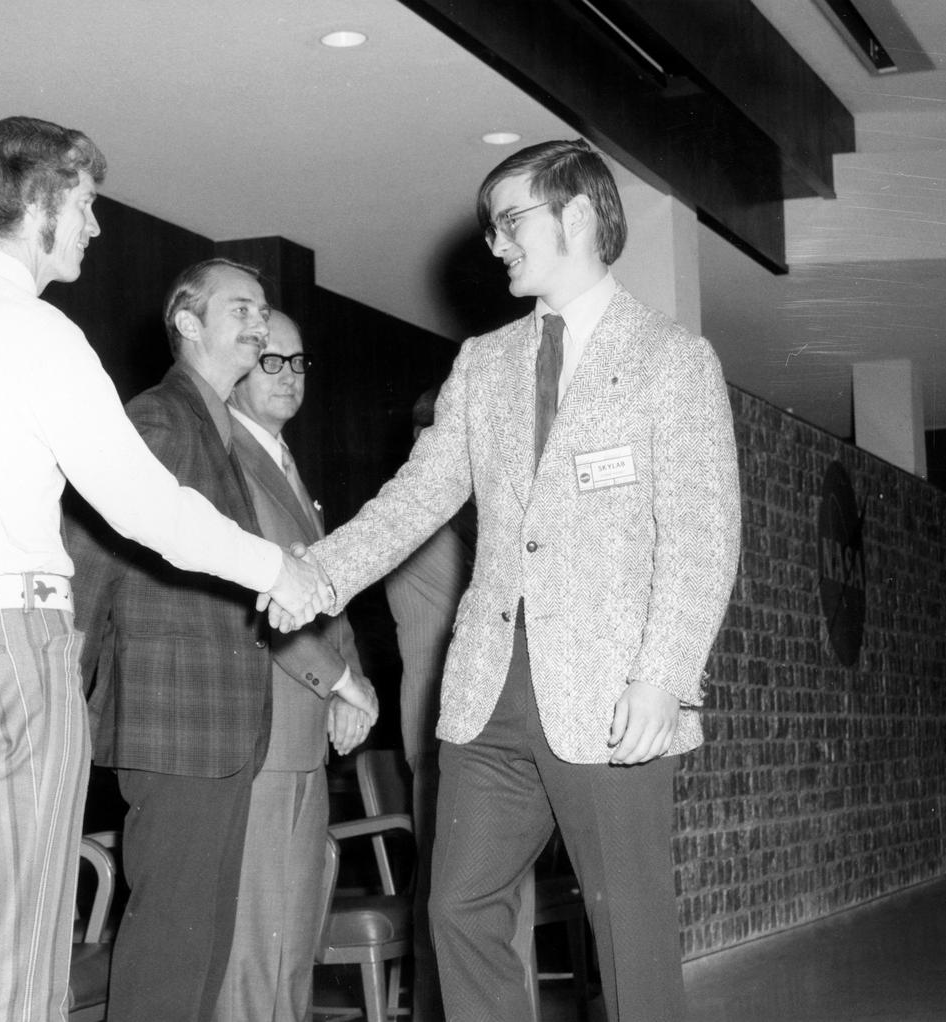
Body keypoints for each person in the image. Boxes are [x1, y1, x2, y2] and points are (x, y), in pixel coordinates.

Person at [0, 118, 326, 1022]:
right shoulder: (32, 330)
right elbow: (142, 505)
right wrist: (274, 566)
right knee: (21, 956)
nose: (94, 225)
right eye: (83, 203)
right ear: (37, 203)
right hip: (13, 649)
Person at [301, 138, 741, 1021]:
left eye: (510, 223)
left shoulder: (671, 359)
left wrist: (664, 678)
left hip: (611, 693)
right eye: (492, 228)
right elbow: (415, 498)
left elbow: (702, 533)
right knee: (457, 906)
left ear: (577, 215)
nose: (495, 244)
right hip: (486, 692)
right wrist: (317, 574)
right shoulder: (485, 362)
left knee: (631, 934)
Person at [73, 259, 377, 1022]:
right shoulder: (162, 418)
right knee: (175, 947)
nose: (257, 322)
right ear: (187, 323)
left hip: (216, 724)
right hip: (176, 720)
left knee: (201, 949)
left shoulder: (207, 425)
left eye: (263, 309)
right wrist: (62, 687)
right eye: (240, 309)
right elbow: (89, 559)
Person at [210, 310, 377, 1021]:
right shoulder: (227, 460)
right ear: (238, 366)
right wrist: (341, 681)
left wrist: (351, 681)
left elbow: (324, 592)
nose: (288, 377)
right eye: (269, 360)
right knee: (254, 950)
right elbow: (252, 599)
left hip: (303, 733)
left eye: (298, 362)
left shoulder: (282, 460)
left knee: (292, 941)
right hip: (261, 732)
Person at [383, 387, 476, 1022]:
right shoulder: (415, 513)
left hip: (469, 729)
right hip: (443, 733)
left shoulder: (449, 513)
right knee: (454, 897)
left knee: (475, 898)